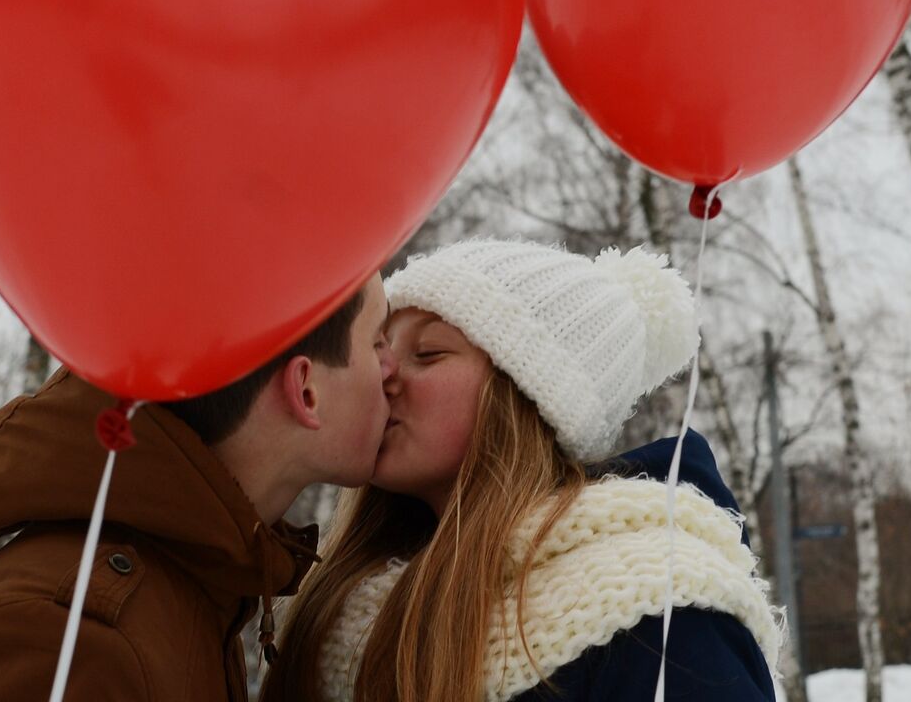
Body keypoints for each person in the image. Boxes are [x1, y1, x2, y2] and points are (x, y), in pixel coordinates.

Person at [261, 239, 782, 702]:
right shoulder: (339, 612)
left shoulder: (661, 615)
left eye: (427, 352)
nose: (385, 374)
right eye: (381, 347)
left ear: (528, 397)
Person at [0, 274, 397, 702]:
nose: (394, 370)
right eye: (378, 342)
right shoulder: (64, 639)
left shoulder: (197, 593)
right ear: (306, 390)